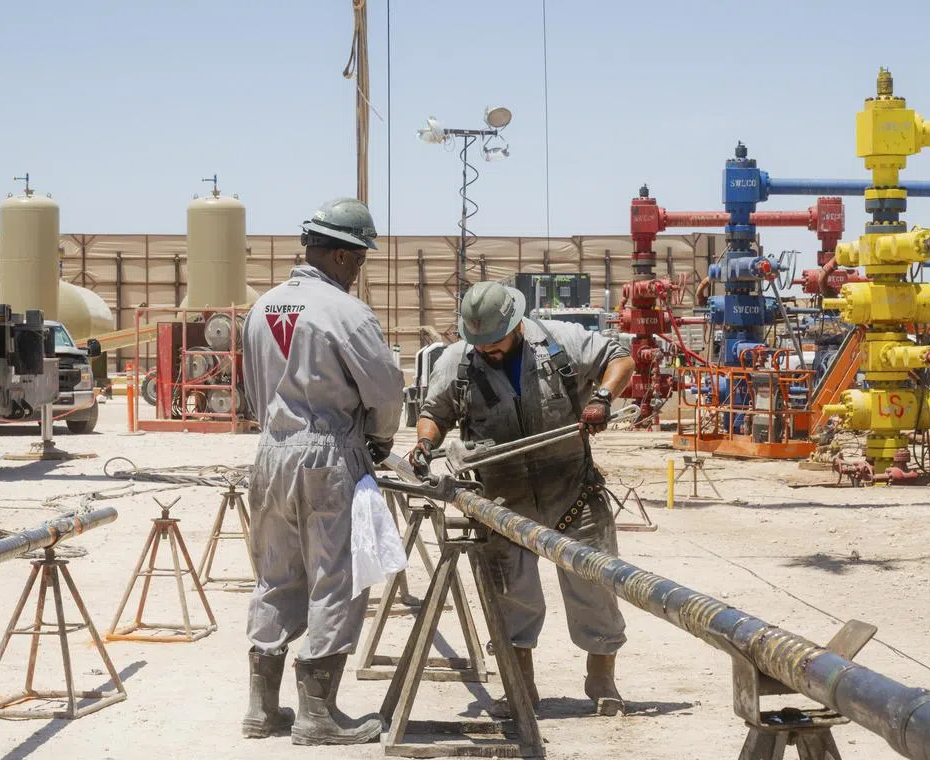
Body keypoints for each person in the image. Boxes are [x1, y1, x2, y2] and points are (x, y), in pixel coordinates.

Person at [407, 281, 636, 716]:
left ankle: (602, 680)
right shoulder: (458, 362)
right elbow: (434, 414)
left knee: (595, 587)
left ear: (515, 325)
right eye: (480, 344)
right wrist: (423, 444)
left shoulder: (559, 342)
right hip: (503, 498)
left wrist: (603, 398)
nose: (488, 351)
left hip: (572, 490)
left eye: (495, 342)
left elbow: (619, 358)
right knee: (511, 595)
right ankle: (520, 687)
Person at [240, 197, 403, 745]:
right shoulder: (346, 312)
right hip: (327, 453)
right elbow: (384, 390)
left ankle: (262, 710)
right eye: (356, 261)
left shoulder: (261, 307)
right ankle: (318, 716)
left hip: (270, 453)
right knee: (339, 576)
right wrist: (378, 441)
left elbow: (249, 393)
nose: (357, 271)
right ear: (338, 256)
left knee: (276, 575)